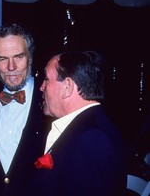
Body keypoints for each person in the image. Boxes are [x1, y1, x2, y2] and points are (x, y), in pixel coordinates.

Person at [29, 50, 127, 196]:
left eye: (46, 79)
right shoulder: (90, 126)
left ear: (67, 87)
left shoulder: (92, 138)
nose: (41, 87)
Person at [0, 24, 50, 196]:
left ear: (30, 57)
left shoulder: (50, 100)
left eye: (18, 57)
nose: (11, 67)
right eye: (2, 59)